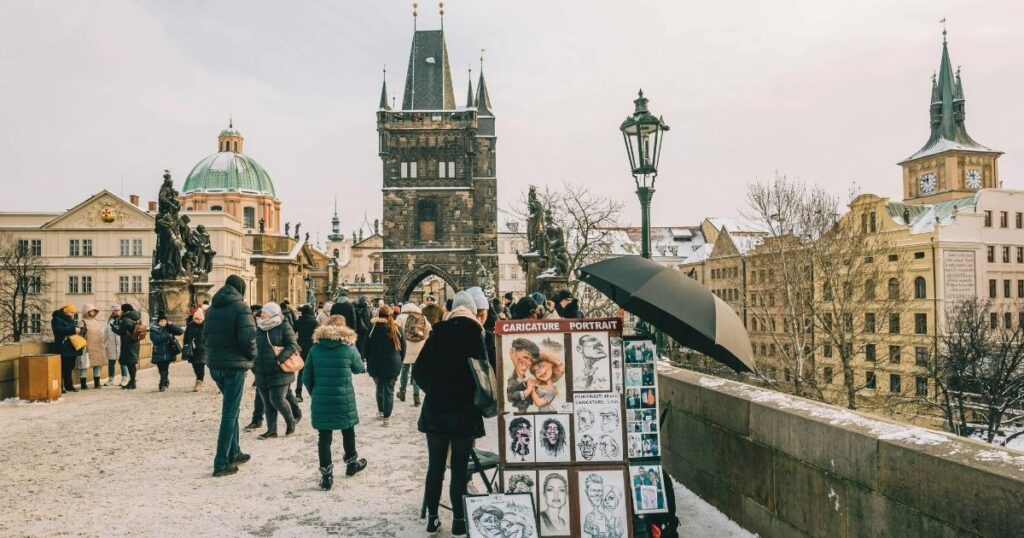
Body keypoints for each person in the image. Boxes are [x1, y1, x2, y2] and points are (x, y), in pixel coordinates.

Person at [412, 290, 488, 536]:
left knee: (435, 467)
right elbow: (489, 375)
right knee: (459, 468)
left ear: (453, 309)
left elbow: (419, 372)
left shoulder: (438, 333)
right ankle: (458, 521)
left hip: (437, 410)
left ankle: (432, 518)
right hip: (465, 411)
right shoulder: (479, 335)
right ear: (474, 311)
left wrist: (433, 389)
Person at [303, 315, 368, 490]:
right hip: (343, 398)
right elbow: (359, 368)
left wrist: (316, 393)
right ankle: (351, 463)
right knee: (348, 431)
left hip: (321, 398)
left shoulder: (315, 350)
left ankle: (326, 476)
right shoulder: (348, 348)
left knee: (324, 438)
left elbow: (306, 377)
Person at [204, 274, 258, 477]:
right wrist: (252, 357)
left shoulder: (211, 310)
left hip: (215, 365)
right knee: (229, 413)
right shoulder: (241, 308)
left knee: (231, 410)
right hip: (234, 366)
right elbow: (248, 338)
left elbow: (205, 337)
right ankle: (221, 462)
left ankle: (234, 451)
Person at [254, 302, 300, 439]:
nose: (262, 314)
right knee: (267, 402)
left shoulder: (283, 326)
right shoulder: (260, 327)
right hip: (261, 370)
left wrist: (280, 359)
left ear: (273, 313)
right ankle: (272, 430)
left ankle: (290, 421)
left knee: (277, 399)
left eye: (265, 312)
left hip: (280, 370)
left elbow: (292, 345)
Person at [363, 305, 404, 426]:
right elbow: (403, 348)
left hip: (375, 363)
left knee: (380, 387)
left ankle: (381, 411)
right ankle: (387, 417)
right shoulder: (397, 328)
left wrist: (367, 359)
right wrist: (399, 360)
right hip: (393, 363)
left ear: (378, 315)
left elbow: (366, 347)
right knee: (389, 390)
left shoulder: (372, 328)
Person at [395, 302, 430, 407]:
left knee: (404, 371)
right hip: (419, 348)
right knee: (415, 372)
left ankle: (402, 392)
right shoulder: (422, 317)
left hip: (405, 348)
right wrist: (422, 340)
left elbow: (396, 332)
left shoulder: (400, 317)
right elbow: (429, 330)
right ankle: (416, 397)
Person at [149, 312, 184, 392]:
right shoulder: (154, 329)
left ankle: (162, 384)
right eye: (161, 321)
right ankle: (165, 380)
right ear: (158, 322)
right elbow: (155, 339)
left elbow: (181, 331)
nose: (163, 323)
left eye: (165, 321)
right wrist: (167, 336)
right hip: (158, 352)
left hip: (168, 352)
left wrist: (171, 325)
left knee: (165, 369)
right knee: (161, 369)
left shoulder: (169, 328)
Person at [111, 303, 143, 390]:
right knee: (132, 363)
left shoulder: (126, 319)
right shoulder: (136, 317)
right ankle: (132, 381)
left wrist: (113, 327)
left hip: (128, 343)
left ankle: (132, 382)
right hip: (135, 342)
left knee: (130, 363)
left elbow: (120, 331)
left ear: (124, 310)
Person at [51, 304, 81, 393]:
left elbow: (70, 329)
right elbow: (58, 330)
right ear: (66, 311)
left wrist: (79, 329)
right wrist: (73, 329)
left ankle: (69, 385)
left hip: (71, 346)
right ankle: (61, 386)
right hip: (62, 346)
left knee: (69, 367)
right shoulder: (56, 318)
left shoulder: (69, 319)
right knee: (62, 367)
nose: (72, 314)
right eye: (71, 312)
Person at [293, 304, 319, 402]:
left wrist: (296, 344)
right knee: (314, 370)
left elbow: (292, 333)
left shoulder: (298, 322)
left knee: (301, 371)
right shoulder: (314, 322)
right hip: (312, 348)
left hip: (301, 348)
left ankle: (298, 393)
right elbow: (318, 336)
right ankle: (314, 392)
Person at [79, 304, 107, 390]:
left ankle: (97, 383)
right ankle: (83, 384)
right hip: (86, 347)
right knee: (83, 365)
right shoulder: (82, 321)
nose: (93, 312)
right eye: (91, 311)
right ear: (86, 311)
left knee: (97, 365)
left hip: (97, 346)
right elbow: (79, 335)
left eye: (94, 311)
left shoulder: (95, 321)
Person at [183, 308, 209, 392]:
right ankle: (199, 379)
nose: (198, 320)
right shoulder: (190, 325)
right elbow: (186, 337)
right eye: (196, 318)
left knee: (201, 364)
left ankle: (199, 381)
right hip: (192, 349)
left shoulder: (206, 326)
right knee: (195, 365)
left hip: (203, 349)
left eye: (199, 319)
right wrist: (186, 345)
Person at [103, 304, 125, 386]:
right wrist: (103, 343)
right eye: (115, 310)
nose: (117, 312)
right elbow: (105, 332)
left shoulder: (123, 319)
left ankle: (124, 378)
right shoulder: (109, 320)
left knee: (123, 362)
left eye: (118, 310)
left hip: (121, 343)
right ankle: (111, 379)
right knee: (111, 362)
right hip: (111, 344)